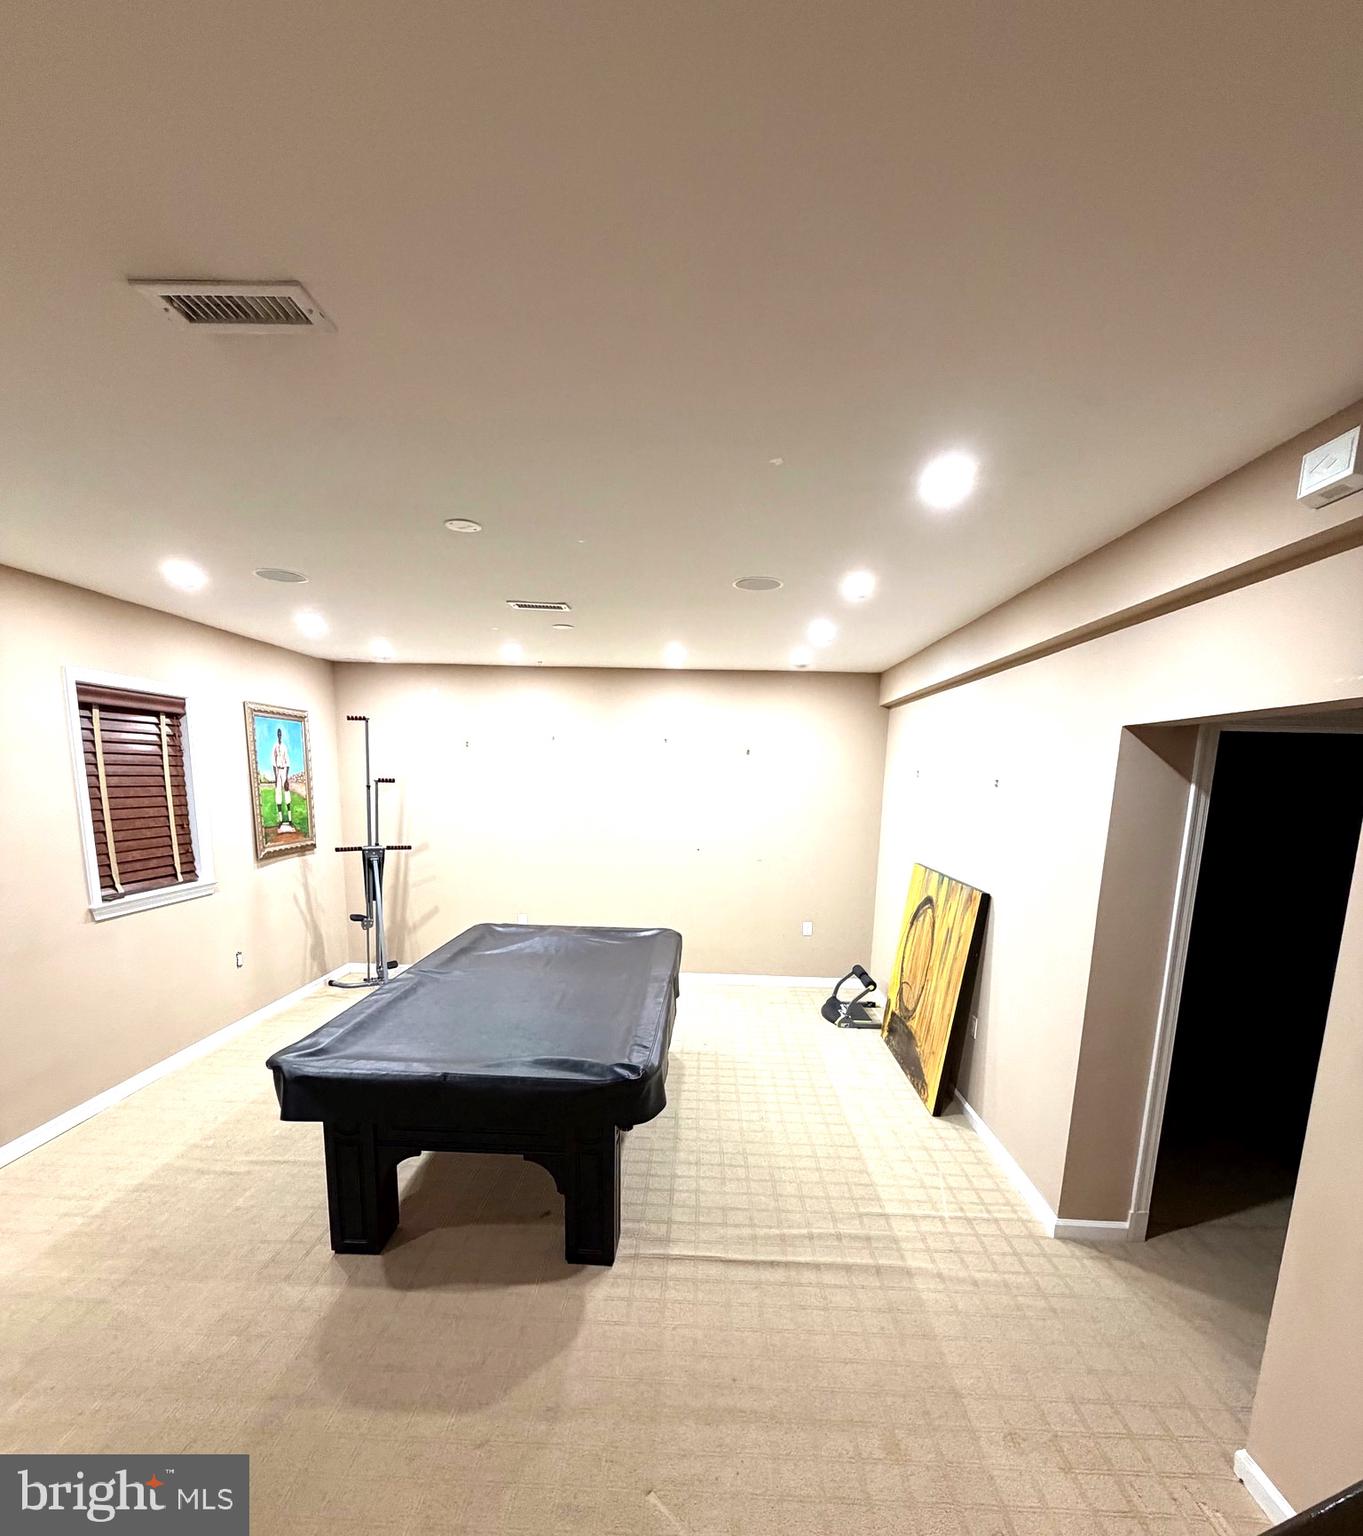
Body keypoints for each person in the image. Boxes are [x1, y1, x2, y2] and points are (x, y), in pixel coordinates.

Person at [272, 727, 292, 830]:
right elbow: (273, 762)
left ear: (282, 735)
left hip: (284, 771)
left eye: (280, 733)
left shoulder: (284, 747)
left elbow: (288, 762)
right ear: (277, 735)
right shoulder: (275, 747)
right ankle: (280, 820)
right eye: (278, 733)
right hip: (278, 771)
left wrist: (287, 778)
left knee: (287, 792)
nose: (279, 735)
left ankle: (290, 819)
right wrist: (275, 777)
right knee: (278, 793)